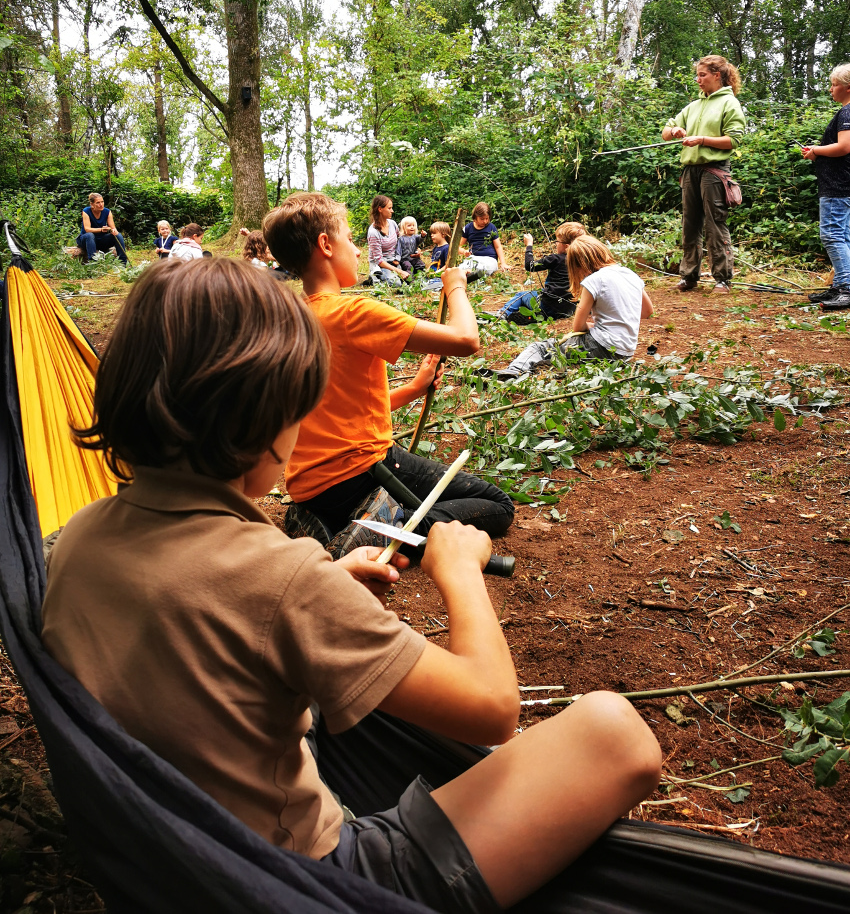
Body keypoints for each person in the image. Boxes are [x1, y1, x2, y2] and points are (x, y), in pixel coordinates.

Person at [41, 256, 661, 912]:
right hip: (305, 882)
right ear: (269, 421)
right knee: (613, 730)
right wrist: (458, 574)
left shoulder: (76, 541)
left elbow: (204, 645)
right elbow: (493, 709)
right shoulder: (281, 579)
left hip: (170, 859)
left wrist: (325, 589)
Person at [263, 192, 514, 540]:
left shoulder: (287, 318)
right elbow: (465, 340)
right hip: (361, 471)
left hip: (310, 488)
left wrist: (414, 388)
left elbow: (336, 411)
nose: (356, 250)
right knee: (498, 505)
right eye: (350, 240)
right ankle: (383, 528)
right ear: (325, 245)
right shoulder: (352, 313)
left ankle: (326, 520)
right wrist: (456, 287)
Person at [496, 235, 653, 380]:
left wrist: (593, 325)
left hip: (600, 346)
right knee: (565, 352)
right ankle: (560, 365)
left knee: (542, 347)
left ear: (579, 264)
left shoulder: (593, 280)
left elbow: (578, 326)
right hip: (625, 353)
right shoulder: (630, 273)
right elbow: (647, 311)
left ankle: (514, 371)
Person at [661, 55, 746, 294]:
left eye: (703, 75)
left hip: (715, 172)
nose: (698, 80)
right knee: (689, 225)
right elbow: (665, 132)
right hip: (690, 171)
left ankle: (722, 279)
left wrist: (702, 140)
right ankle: (689, 277)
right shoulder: (693, 106)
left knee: (715, 224)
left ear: (717, 75)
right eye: (697, 75)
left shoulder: (729, 103)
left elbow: (734, 140)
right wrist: (675, 130)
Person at [802, 64, 850, 310]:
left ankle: (845, 288)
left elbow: (844, 146)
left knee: (832, 235)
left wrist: (815, 150)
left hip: (838, 186)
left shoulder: (846, 113)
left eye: (834, 84)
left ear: (847, 87)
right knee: (844, 236)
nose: (831, 89)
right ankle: (840, 285)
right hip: (843, 185)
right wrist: (817, 155)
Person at [497, 222, 587, 324]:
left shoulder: (555, 259)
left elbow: (530, 265)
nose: (556, 244)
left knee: (522, 295)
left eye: (557, 241)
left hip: (547, 305)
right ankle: (534, 315)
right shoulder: (584, 262)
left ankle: (502, 313)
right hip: (569, 309)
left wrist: (529, 246)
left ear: (566, 246)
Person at [76, 193, 128, 265]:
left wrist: (113, 230)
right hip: (86, 240)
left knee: (118, 235)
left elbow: (113, 228)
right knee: (90, 235)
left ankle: (123, 263)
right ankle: (93, 264)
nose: (101, 204)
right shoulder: (86, 211)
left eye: (102, 202)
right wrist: (101, 229)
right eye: (98, 202)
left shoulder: (107, 212)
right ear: (92, 204)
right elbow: (87, 229)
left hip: (100, 240)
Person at [367, 195, 406, 284]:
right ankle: (375, 276)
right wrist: (399, 271)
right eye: (389, 208)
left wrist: (414, 249)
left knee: (411, 277)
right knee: (396, 283)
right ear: (380, 209)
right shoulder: (373, 232)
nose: (392, 211)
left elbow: (400, 242)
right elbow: (379, 261)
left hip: (394, 260)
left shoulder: (393, 224)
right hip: (381, 264)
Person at [459, 202, 507, 277]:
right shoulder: (468, 228)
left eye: (487, 218)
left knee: (485, 268)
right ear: (475, 218)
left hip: (489, 259)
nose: (485, 221)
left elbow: (498, 247)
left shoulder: (491, 227)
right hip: (473, 258)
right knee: (460, 268)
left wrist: (503, 263)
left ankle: (473, 274)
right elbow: (458, 247)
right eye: (482, 219)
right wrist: (464, 251)